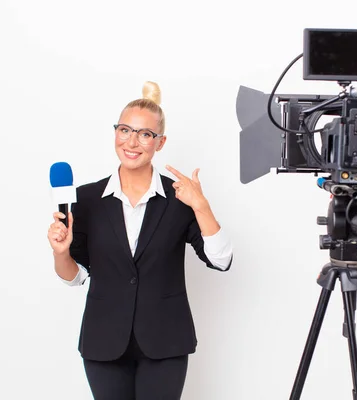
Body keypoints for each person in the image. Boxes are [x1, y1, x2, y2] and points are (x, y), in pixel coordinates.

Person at [46, 81, 233, 399]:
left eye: (145, 134)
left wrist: (200, 204)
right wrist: (61, 253)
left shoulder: (179, 199)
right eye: (125, 130)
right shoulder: (87, 198)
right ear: (115, 133)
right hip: (103, 341)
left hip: (165, 341)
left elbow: (221, 259)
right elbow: (75, 277)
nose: (132, 142)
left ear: (159, 142)